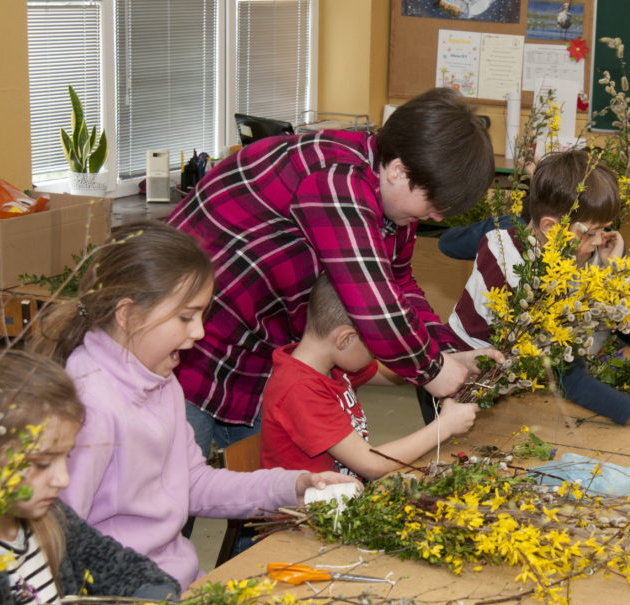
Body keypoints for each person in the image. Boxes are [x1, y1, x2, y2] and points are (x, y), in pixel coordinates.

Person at [166, 87, 496, 457]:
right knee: (167, 499)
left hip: (261, 352)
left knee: (265, 493)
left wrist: (447, 351)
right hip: (191, 347)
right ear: (399, 171)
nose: (436, 218)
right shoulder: (337, 180)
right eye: (434, 205)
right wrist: (433, 371)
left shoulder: (393, 200)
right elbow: (375, 307)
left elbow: (398, 281)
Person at [29, 223, 361, 590]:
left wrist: (295, 487)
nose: (199, 332)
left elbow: (194, 484)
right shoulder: (88, 405)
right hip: (123, 604)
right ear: (127, 315)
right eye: (186, 317)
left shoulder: (163, 380)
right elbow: (60, 540)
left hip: (174, 584)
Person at [448, 149, 630, 431]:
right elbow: (571, 378)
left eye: (604, 230)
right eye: (590, 232)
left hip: (497, 385)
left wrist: (616, 271)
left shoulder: (559, 256)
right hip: (458, 384)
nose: (598, 241)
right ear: (550, 228)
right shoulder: (513, 266)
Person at [0, 350, 182, 605]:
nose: (63, 479)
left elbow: (120, 565)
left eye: (66, 456)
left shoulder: (51, 520)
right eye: (40, 463)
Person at [260, 275, 498, 479]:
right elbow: (371, 465)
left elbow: (398, 374)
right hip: (305, 521)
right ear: (346, 339)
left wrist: (459, 360)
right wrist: (444, 427)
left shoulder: (329, 364)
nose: (381, 353)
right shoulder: (299, 388)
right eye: (375, 345)